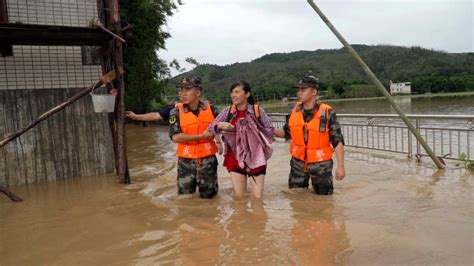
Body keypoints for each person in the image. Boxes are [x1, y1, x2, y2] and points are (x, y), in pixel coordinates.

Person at [274, 72, 346, 195]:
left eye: (303, 90)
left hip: (321, 164)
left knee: (324, 200)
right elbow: (286, 133)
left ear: (314, 92)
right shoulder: (295, 112)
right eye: (298, 90)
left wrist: (341, 167)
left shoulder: (327, 112)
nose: (299, 93)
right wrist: (266, 129)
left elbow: (337, 140)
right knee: (296, 198)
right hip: (298, 163)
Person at [208, 81, 274, 199]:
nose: (233, 95)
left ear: (247, 94)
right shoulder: (227, 112)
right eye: (232, 92)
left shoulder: (257, 111)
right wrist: (220, 126)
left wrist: (253, 131)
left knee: (258, 198)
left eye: (237, 92)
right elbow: (210, 128)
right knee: (239, 197)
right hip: (234, 156)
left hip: (256, 156)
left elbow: (269, 130)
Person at [169, 77, 220, 199]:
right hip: (185, 162)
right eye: (180, 90)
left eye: (187, 89)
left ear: (198, 92)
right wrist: (201, 136)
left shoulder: (211, 109)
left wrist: (220, 140)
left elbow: (224, 126)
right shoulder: (175, 112)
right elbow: (175, 137)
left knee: (210, 199)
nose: (182, 93)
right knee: (185, 199)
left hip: (208, 161)